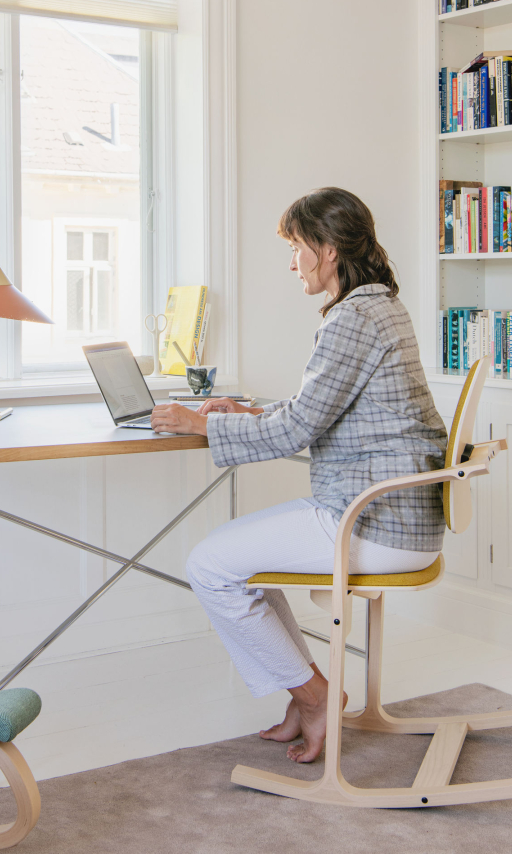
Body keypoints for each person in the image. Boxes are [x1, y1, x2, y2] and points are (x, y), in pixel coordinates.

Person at [150, 187, 447, 764]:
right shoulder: (379, 306)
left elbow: (298, 430)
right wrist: (248, 414)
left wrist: (201, 423)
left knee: (210, 567)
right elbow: (316, 408)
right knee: (242, 564)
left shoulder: (353, 317)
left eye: (295, 248)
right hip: (394, 516)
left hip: (372, 520)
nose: (292, 263)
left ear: (327, 249)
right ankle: (307, 694)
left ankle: (315, 697)